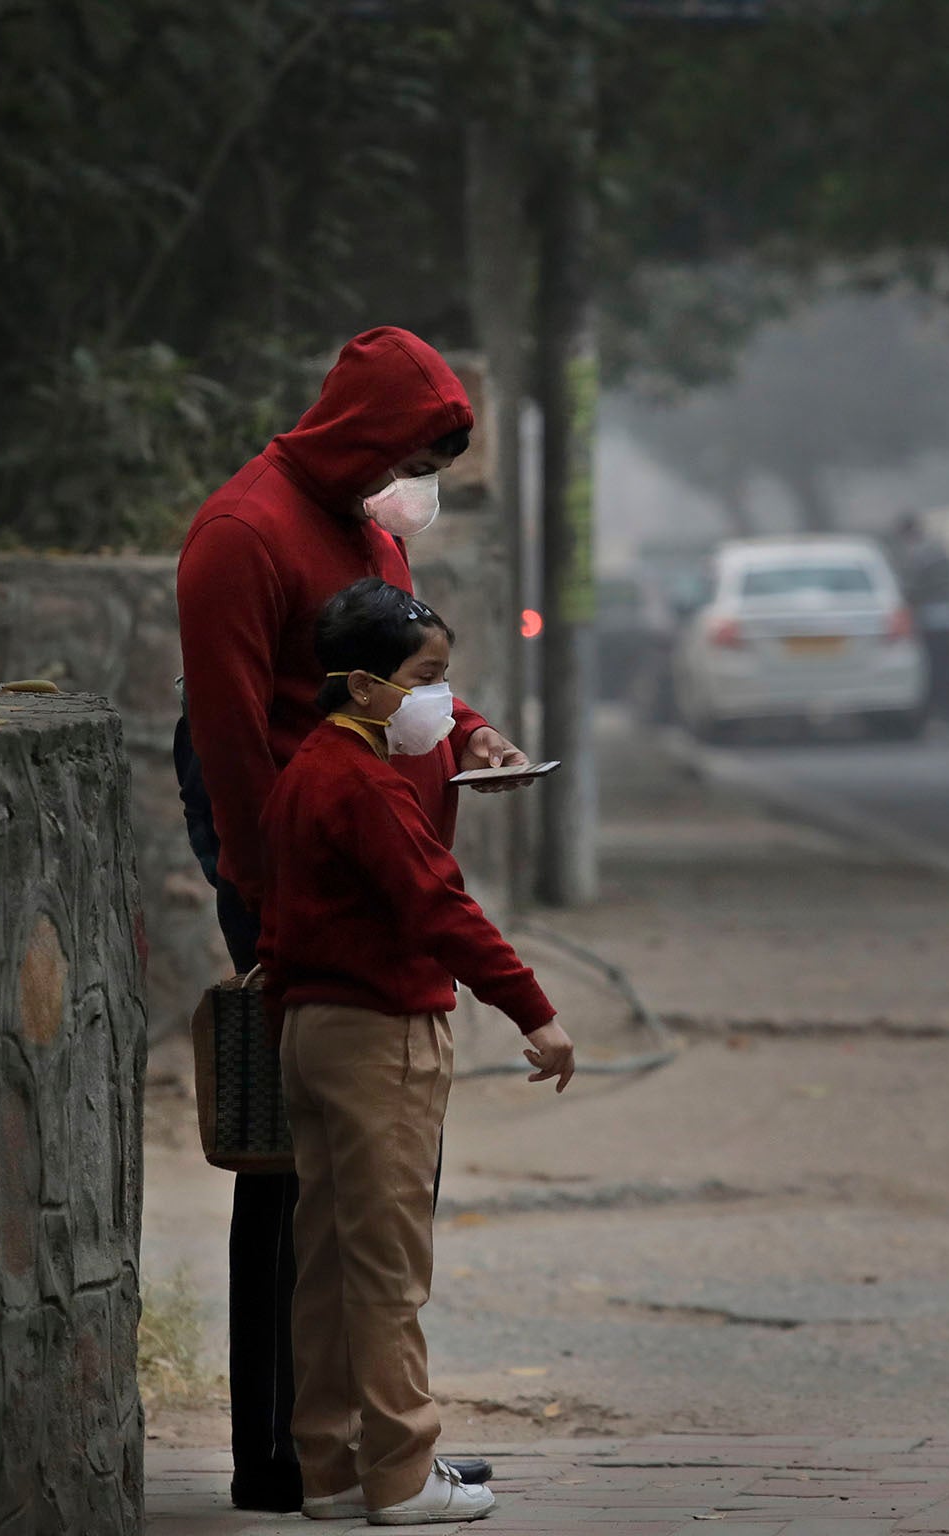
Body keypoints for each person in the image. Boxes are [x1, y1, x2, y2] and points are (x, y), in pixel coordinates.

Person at [173, 326, 526, 1512]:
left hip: (372, 838)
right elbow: (227, 738)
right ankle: (286, 1450)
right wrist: (267, 898)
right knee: (301, 1149)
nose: (413, 478)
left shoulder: (370, 528)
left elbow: (406, 672)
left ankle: (374, 1448)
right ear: (361, 431)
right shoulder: (242, 533)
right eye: (410, 451)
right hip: (291, 849)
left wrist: (469, 729)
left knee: (374, 1164)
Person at [259, 578, 575, 1526]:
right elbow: (439, 906)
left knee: (327, 1262)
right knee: (389, 1267)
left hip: (310, 1030)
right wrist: (535, 1010)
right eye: (426, 678)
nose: (443, 699)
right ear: (365, 687)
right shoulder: (365, 786)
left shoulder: (308, 769)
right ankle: (401, 1473)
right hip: (379, 1036)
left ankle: (332, 1464)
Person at [891, 509, 949, 732]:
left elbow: (912, 589)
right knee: (948, 667)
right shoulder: (939, 549)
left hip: (929, 618)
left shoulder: (915, 554)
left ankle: (936, 710)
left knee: (931, 669)